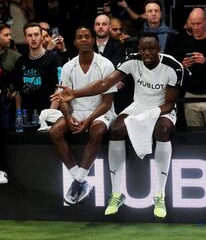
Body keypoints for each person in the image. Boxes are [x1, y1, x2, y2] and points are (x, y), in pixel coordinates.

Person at [51, 32, 184, 218]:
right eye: (143, 49)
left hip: (162, 108)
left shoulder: (174, 67)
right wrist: (74, 94)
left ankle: (159, 194)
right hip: (138, 105)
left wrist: (149, 115)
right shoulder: (132, 60)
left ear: (159, 49)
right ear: (138, 50)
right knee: (115, 129)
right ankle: (116, 194)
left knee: (162, 130)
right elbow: (105, 83)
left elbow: (169, 104)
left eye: (151, 49)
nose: (147, 53)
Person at [49, 26, 117, 205]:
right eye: (80, 37)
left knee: (97, 130)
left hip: (101, 112)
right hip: (76, 111)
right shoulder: (67, 67)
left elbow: (107, 102)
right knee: (55, 131)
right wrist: (68, 116)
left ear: (93, 40)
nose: (84, 39)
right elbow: (63, 99)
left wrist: (87, 121)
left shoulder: (105, 64)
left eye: (87, 36)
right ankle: (80, 181)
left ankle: (77, 183)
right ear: (75, 42)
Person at [175, 8, 206, 128]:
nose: (196, 27)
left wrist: (205, 62)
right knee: (194, 136)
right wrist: (182, 66)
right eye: (193, 24)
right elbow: (174, 71)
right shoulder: (183, 44)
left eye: (199, 23)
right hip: (190, 96)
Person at [13, 22, 62, 115]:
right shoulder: (20, 61)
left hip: (47, 112)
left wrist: (49, 114)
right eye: (29, 35)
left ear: (41, 37)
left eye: (36, 34)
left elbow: (59, 89)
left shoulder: (54, 58)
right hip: (26, 115)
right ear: (25, 39)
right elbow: (18, 92)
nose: (33, 38)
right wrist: (18, 114)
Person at [0, 23, 21, 184]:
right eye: (6, 35)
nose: (10, 38)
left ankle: (2, 170)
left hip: (8, 106)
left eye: (10, 35)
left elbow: (20, 82)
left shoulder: (15, 57)